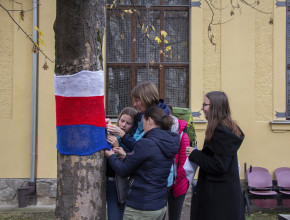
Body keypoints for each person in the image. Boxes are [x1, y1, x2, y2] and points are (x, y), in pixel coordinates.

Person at [105, 106, 180, 220]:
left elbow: (124, 170)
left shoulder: (146, 143)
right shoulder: (169, 142)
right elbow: (149, 164)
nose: (141, 126)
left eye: (143, 122)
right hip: (159, 205)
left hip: (141, 206)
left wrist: (111, 156)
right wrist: (125, 155)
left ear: (149, 121)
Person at [186, 91, 245, 220]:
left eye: (205, 104)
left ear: (215, 107)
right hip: (221, 195)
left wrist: (194, 154)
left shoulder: (222, 132)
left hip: (219, 199)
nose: (202, 108)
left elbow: (219, 165)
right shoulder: (224, 129)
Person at [106, 81, 170, 151]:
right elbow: (131, 143)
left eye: (137, 100)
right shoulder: (141, 116)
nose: (134, 104)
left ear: (146, 100)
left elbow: (141, 150)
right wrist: (112, 132)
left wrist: (122, 135)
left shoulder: (159, 121)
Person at [106, 107, 138, 220]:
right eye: (122, 120)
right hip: (108, 180)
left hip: (120, 184)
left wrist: (115, 148)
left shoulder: (133, 140)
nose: (123, 125)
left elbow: (129, 165)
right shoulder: (113, 133)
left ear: (134, 125)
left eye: (128, 123)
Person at [166, 106, 190, 220]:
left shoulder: (182, 135)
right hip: (163, 183)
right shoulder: (160, 132)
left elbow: (184, 166)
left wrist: (171, 181)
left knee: (174, 216)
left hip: (178, 184)